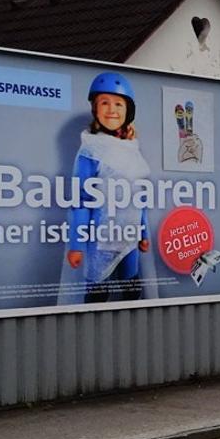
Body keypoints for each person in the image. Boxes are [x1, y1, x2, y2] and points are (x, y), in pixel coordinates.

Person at [66, 72, 151, 303]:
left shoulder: (131, 148)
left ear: (128, 110)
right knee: (97, 291)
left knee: (131, 287)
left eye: (118, 104)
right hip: (101, 238)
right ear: (95, 108)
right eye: (105, 103)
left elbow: (139, 197)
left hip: (129, 237)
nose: (112, 109)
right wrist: (77, 245)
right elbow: (81, 201)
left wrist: (143, 233)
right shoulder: (90, 150)